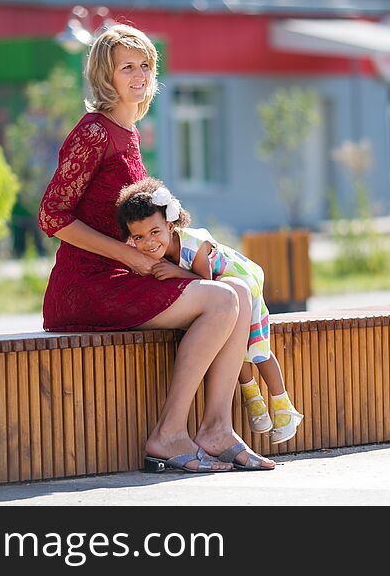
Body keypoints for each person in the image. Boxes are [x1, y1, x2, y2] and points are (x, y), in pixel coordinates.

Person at [38, 24, 274, 472]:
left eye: (145, 64)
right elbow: (52, 215)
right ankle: (168, 435)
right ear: (105, 76)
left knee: (238, 292)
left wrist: (183, 261)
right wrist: (129, 256)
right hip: (87, 287)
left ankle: (217, 429)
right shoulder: (94, 132)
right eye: (127, 66)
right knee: (222, 300)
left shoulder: (129, 135)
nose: (140, 74)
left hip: (125, 280)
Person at [116, 177, 304, 445]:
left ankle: (285, 409)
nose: (148, 242)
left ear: (170, 227)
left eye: (155, 232)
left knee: (257, 349)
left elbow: (207, 284)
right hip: (225, 295)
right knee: (235, 350)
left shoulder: (195, 245)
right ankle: (255, 402)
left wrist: (175, 272)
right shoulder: (154, 250)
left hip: (243, 284)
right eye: (139, 237)